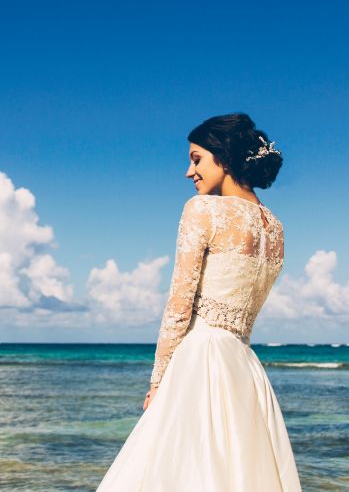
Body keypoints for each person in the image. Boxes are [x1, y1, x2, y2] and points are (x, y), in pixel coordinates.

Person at [96, 112, 303, 491]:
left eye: (196, 159)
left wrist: (158, 383)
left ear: (222, 157)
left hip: (200, 360)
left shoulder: (203, 210)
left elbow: (179, 305)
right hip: (244, 367)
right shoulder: (275, 227)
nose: (188, 172)